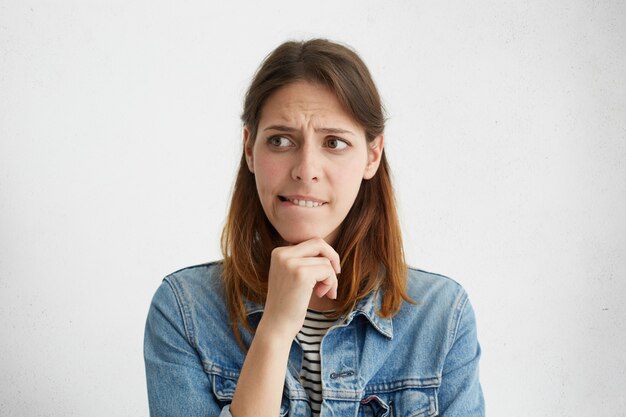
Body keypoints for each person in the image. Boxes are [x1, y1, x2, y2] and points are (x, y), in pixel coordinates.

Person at [144, 39, 484, 417]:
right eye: (280, 140)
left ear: (372, 155)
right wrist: (273, 332)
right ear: (249, 149)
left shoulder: (441, 316)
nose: (306, 169)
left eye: (334, 143)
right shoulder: (185, 310)